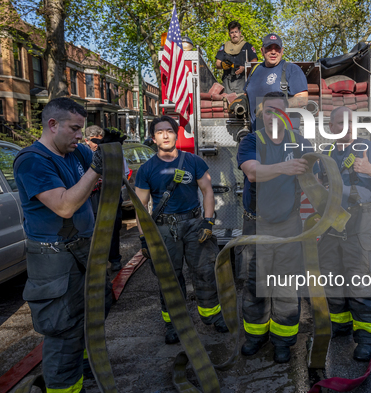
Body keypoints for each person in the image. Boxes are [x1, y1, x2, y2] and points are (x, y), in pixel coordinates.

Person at [13, 97, 121, 393]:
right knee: (64, 330)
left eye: (81, 129)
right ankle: (65, 386)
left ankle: (85, 367)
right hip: (55, 261)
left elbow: (113, 174)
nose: (80, 136)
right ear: (53, 125)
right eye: (74, 129)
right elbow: (64, 206)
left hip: (83, 250)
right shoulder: (32, 161)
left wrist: (111, 153)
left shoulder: (75, 153)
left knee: (95, 309)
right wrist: (96, 168)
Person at [134, 115, 228, 345]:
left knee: (205, 272)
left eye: (169, 131)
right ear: (154, 138)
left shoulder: (193, 161)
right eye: (159, 132)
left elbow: (207, 191)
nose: (165, 135)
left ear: (176, 134)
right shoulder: (146, 169)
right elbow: (141, 207)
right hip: (165, 229)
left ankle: (212, 315)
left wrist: (208, 222)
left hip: (195, 224)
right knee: (169, 279)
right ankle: (174, 324)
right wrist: (144, 239)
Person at [237, 92, 313, 363]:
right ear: (261, 114)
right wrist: (284, 167)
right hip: (257, 223)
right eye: (269, 111)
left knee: (285, 284)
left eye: (280, 111)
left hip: (289, 224)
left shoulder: (300, 143)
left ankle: (283, 341)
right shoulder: (251, 141)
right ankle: (255, 337)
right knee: (256, 282)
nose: (274, 116)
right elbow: (253, 172)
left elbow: (317, 177)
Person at [315, 106, 371, 361]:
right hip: (332, 221)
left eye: (350, 122)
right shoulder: (326, 152)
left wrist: (369, 169)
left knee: (359, 281)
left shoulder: (366, 147)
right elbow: (315, 181)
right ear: (332, 126)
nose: (346, 127)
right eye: (340, 123)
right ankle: (341, 325)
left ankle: (368, 337)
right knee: (332, 276)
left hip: (359, 220)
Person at [244, 33, 308, 131]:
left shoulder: (291, 69)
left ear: (282, 51)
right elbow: (246, 94)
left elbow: (303, 99)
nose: (273, 52)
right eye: (269, 48)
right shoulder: (255, 70)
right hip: (259, 137)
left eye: (277, 48)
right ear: (262, 51)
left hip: (285, 136)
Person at [84, 125, 126, 271]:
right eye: (94, 141)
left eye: (100, 141)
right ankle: (96, 262)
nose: (97, 145)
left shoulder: (112, 151)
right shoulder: (82, 153)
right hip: (92, 198)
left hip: (111, 195)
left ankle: (114, 259)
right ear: (87, 141)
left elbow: (122, 174)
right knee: (94, 229)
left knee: (113, 228)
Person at [215, 21, 258, 94]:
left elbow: (255, 64)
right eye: (232, 32)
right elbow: (217, 64)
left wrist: (244, 68)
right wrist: (223, 65)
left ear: (240, 33)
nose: (234, 34)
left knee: (241, 103)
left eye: (236, 32)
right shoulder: (225, 46)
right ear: (229, 34)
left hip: (243, 82)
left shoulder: (247, 46)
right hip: (227, 83)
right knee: (226, 103)